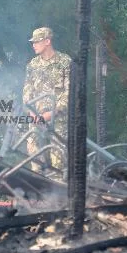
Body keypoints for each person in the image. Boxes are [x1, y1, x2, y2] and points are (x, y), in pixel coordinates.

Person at [22, 27, 71, 172]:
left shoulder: (65, 62)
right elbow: (26, 92)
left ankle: (59, 193)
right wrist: (31, 113)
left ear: (47, 41)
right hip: (36, 120)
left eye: (37, 41)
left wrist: (51, 114)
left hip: (59, 121)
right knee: (36, 164)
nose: (33, 45)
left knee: (59, 165)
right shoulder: (32, 65)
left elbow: (70, 93)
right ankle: (39, 192)